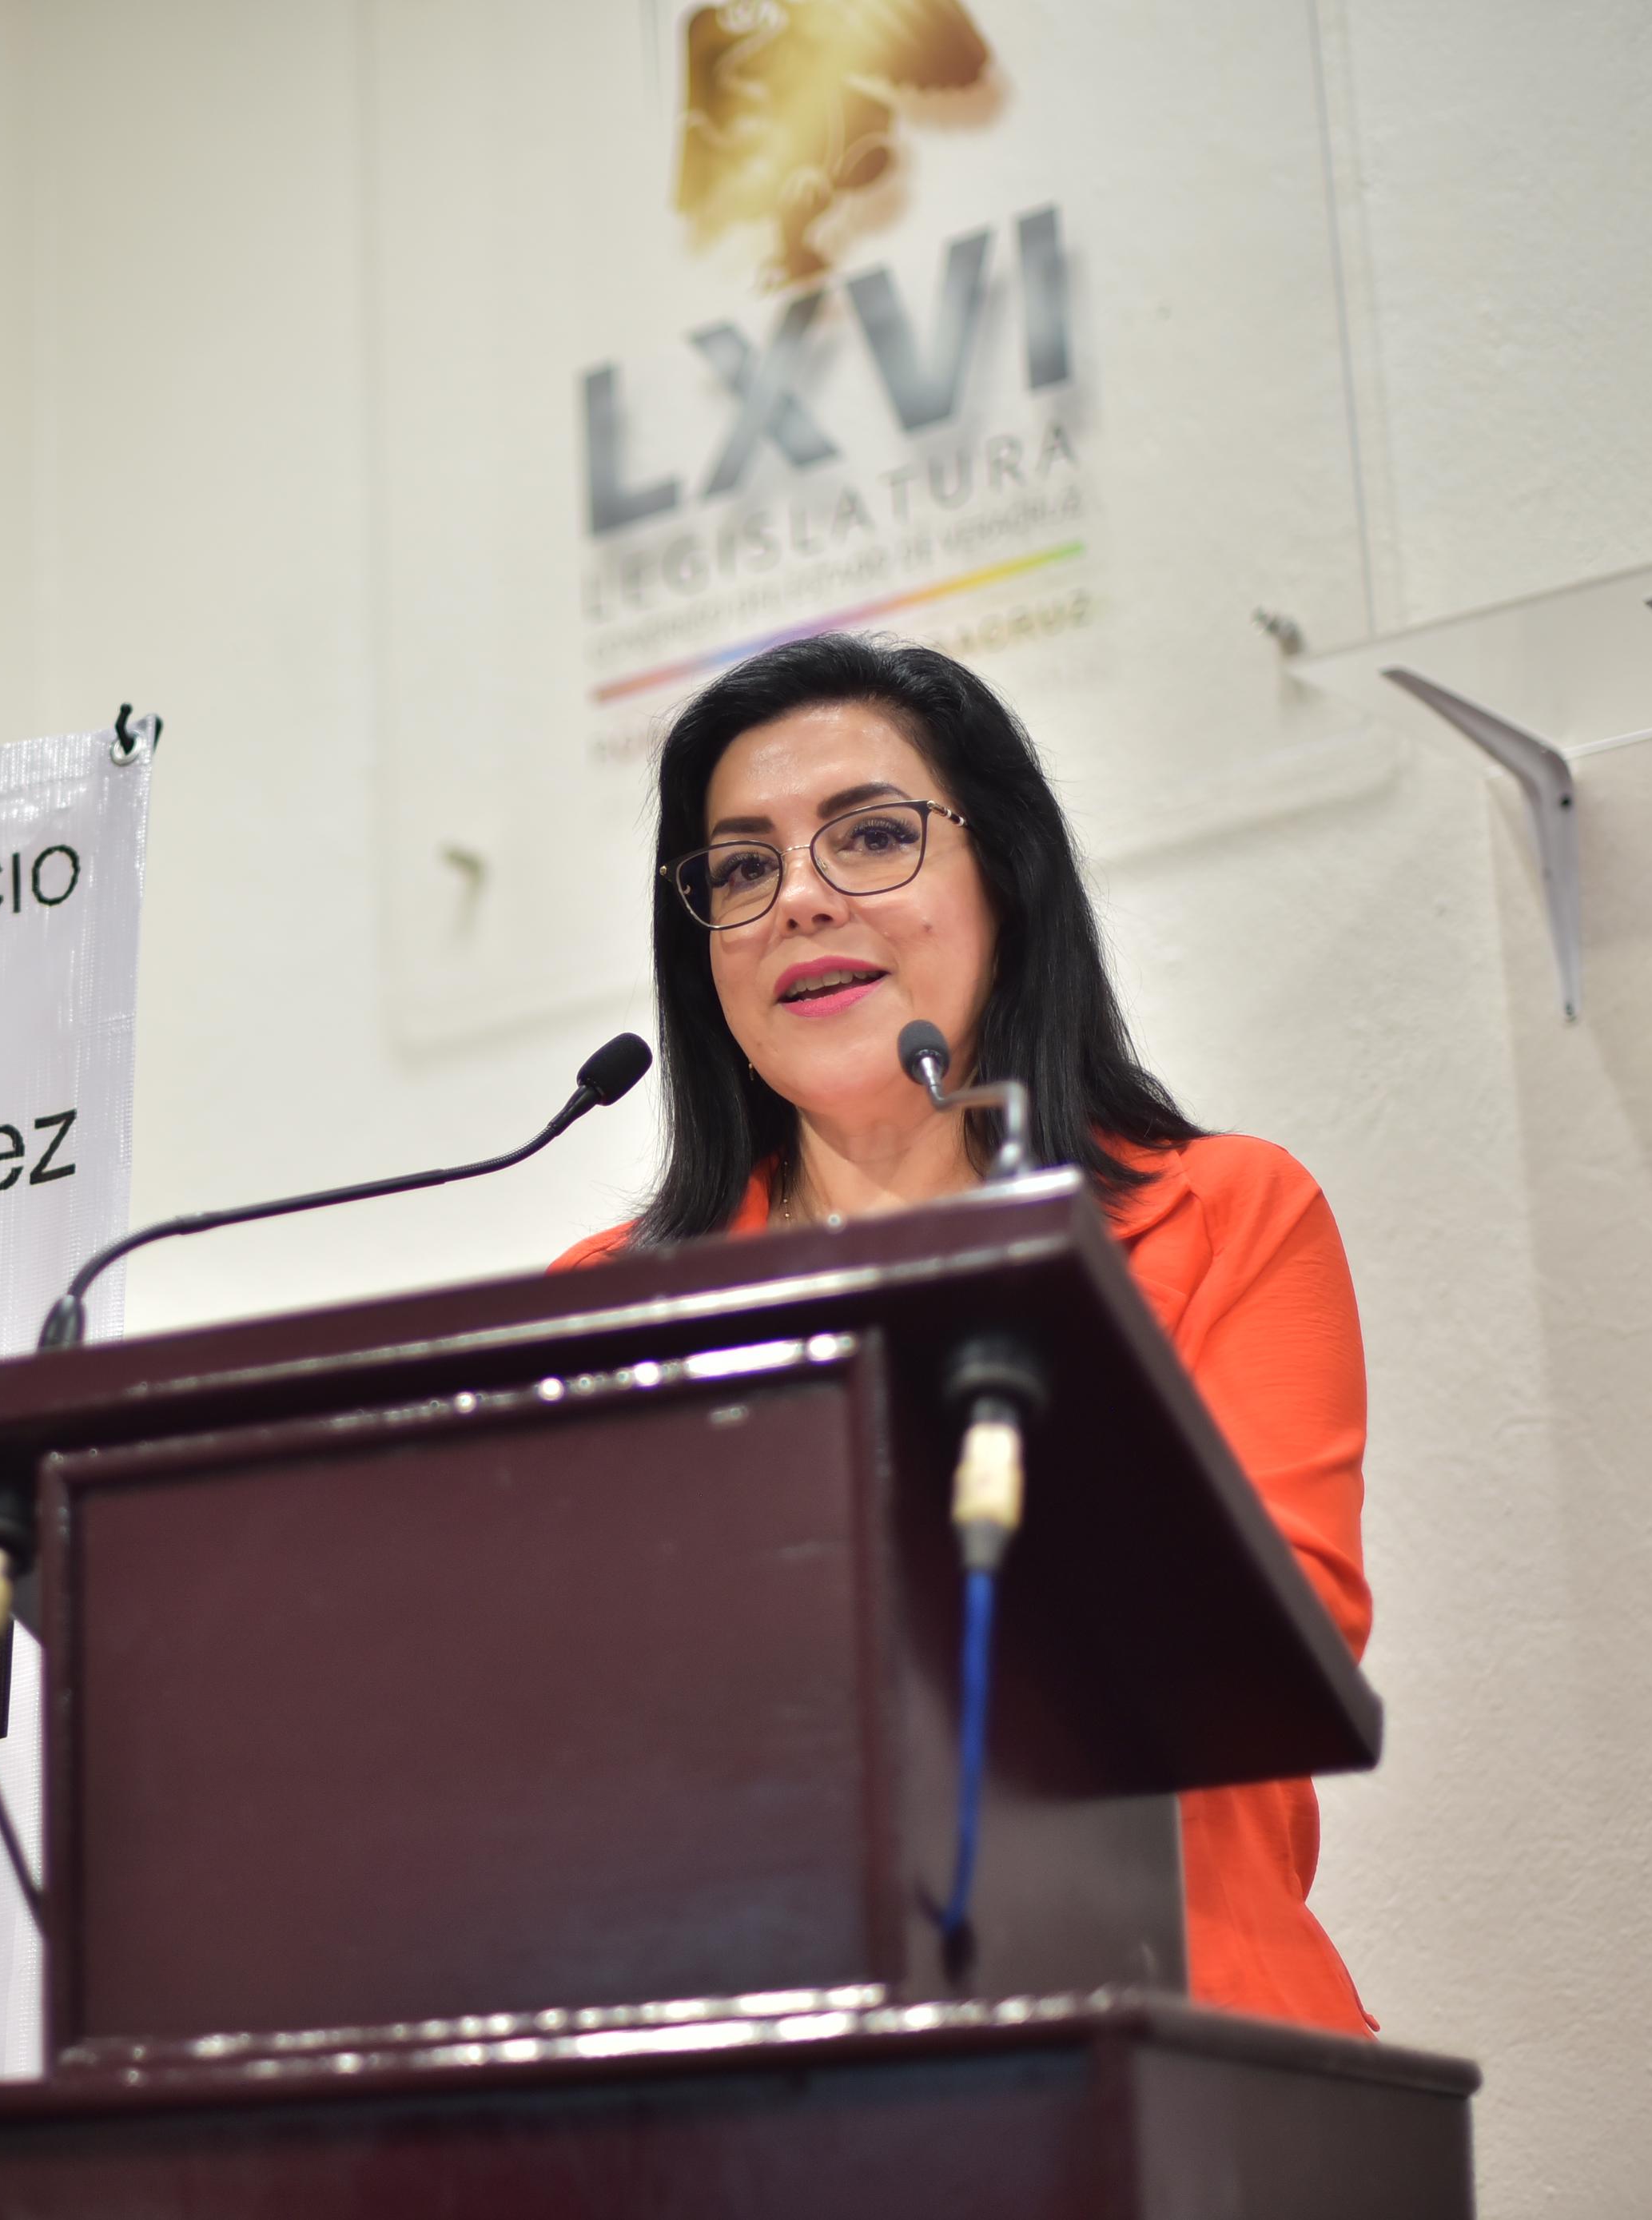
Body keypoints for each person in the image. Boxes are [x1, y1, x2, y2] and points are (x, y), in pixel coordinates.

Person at [555, 631, 1376, 2037]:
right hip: (748, 2051)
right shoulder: (607, 1306)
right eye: (740, 868)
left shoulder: (1226, 1216)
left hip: (1180, 2028)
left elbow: (1268, 1653)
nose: (799, 898)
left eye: (872, 836)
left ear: (1007, 875)